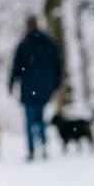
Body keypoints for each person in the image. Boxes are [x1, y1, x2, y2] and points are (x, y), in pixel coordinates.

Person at [9, 14, 62, 162]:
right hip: (45, 87)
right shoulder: (48, 42)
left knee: (29, 120)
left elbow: (16, 67)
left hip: (28, 88)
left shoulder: (23, 44)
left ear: (27, 25)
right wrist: (57, 84)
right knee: (41, 117)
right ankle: (44, 145)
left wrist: (11, 84)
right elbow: (57, 64)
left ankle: (31, 150)